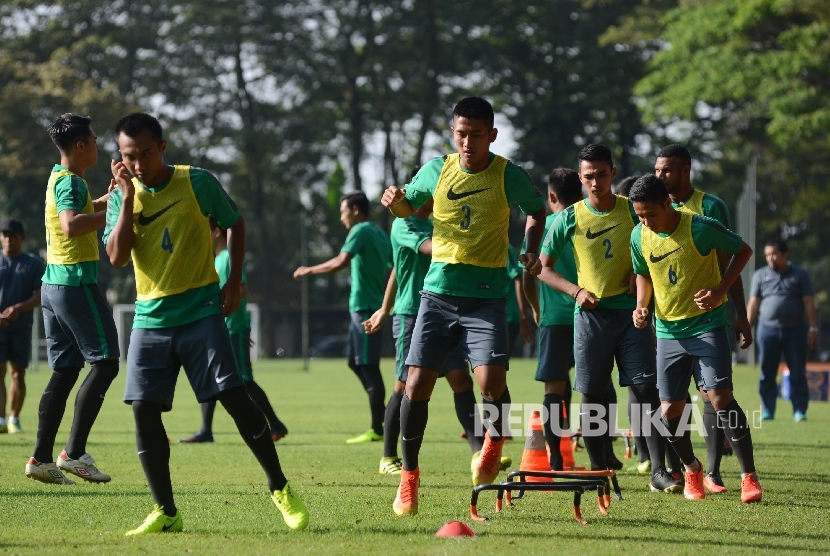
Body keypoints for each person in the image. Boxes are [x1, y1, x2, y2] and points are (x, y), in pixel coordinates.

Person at [104, 112, 307, 534]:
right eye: (129, 156)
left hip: (200, 313)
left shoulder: (197, 182)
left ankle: (280, 487)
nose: (139, 163)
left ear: (162, 146)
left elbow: (235, 224)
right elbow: (117, 257)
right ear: (119, 157)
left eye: (145, 153)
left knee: (234, 395)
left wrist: (232, 281)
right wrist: (125, 199)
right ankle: (166, 511)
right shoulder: (122, 194)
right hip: (150, 319)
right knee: (142, 410)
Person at [381, 97, 546, 516]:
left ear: (492, 134)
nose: (468, 141)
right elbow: (407, 209)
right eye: (461, 133)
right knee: (416, 386)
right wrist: (395, 200)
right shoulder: (435, 169)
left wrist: (529, 250)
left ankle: (493, 442)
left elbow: (536, 211)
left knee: (490, 382)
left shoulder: (510, 175)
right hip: (436, 296)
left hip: (485, 298)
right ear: (452, 133)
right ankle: (409, 478)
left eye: (476, 133)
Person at [538, 144, 680, 494]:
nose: (596, 182)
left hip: (632, 316)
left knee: (647, 390)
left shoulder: (632, 211)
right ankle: (598, 471)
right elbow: (543, 268)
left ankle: (659, 471)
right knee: (593, 395)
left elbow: (657, 239)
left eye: (602, 174)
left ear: (613, 174)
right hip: (591, 317)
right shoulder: (569, 217)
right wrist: (575, 291)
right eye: (588, 176)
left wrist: (639, 272)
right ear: (581, 177)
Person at [629, 174, 761, 503]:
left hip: (708, 326)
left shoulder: (699, 227)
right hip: (668, 331)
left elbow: (742, 251)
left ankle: (748, 477)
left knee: (718, 397)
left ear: (667, 204)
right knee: (670, 409)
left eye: (651, 214)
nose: (645, 221)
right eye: (640, 215)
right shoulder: (639, 235)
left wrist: (720, 290)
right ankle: (691, 468)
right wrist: (641, 307)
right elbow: (643, 273)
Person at [363, 198, 511, 475]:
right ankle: (388, 456)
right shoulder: (403, 224)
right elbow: (425, 251)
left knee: (461, 380)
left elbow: (396, 267)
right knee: (404, 385)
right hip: (412, 314)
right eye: (436, 191)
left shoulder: (432, 224)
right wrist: (474, 241)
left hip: (446, 311)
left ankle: (478, 451)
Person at [25, 114, 120, 485]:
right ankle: (75, 454)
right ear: (81, 146)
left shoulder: (61, 178)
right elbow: (70, 224)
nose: (98, 145)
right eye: (94, 140)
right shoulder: (71, 183)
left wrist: (106, 200)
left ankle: (41, 459)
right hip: (75, 283)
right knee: (107, 362)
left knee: (66, 370)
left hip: (53, 285)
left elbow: (79, 211)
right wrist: (113, 210)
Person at [655, 144, 748, 491]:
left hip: (710, 319)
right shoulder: (652, 209)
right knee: (671, 401)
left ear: (685, 170)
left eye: (667, 170)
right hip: (669, 324)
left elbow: (729, 259)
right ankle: (677, 468)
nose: (660, 176)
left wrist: (737, 311)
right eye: (657, 170)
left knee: (714, 394)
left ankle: (712, 470)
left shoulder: (710, 207)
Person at [179, 218, 288, 443]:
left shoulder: (228, 257)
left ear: (216, 232)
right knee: (211, 376)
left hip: (231, 328)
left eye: (205, 232)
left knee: (245, 380)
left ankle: (276, 425)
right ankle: (206, 431)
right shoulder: (218, 259)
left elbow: (241, 288)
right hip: (224, 328)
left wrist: (235, 326)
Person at [294, 192, 391, 443]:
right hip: (363, 306)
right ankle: (381, 413)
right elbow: (392, 265)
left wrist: (309, 270)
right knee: (354, 362)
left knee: (368, 367)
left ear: (356, 210)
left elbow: (340, 262)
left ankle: (378, 427)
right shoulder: (380, 233)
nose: (341, 216)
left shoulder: (360, 231)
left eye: (343, 210)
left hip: (367, 308)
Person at [522, 167, 582, 471]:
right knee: (595, 385)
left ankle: (556, 456)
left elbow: (527, 277)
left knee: (553, 388)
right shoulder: (588, 221)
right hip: (589, 313)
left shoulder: (544, 228)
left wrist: (534, 309)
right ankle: (604, 454)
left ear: (551, 196)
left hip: (555, 317)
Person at [748, 239, 817, 422]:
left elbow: (809, 303)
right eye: (767, 254)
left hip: (795, 330)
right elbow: (754, 304)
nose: (770, 258)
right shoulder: (760, 275)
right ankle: (768, 410)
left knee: (797, 371)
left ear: (785, 255)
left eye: (774, 254)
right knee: (766, 373)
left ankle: (799, 410)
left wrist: (813, 328)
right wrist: (747, 328)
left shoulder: (800, 274)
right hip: (767, 330)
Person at [0, 220, 44, 435]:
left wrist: (19, 308)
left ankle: (13, 418)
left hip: (21, 327)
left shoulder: (33, 263)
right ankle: (0, 419)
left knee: (18, 374)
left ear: (22, 238)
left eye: (13, 235)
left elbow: (41, 293)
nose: (8, 239)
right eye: (5, 235)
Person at [506, 244, 533, 355]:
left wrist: (523, 318)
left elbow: (518, 279)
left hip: (507, 317)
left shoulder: (505, 247)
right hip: (492, 316)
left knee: (496, 365)